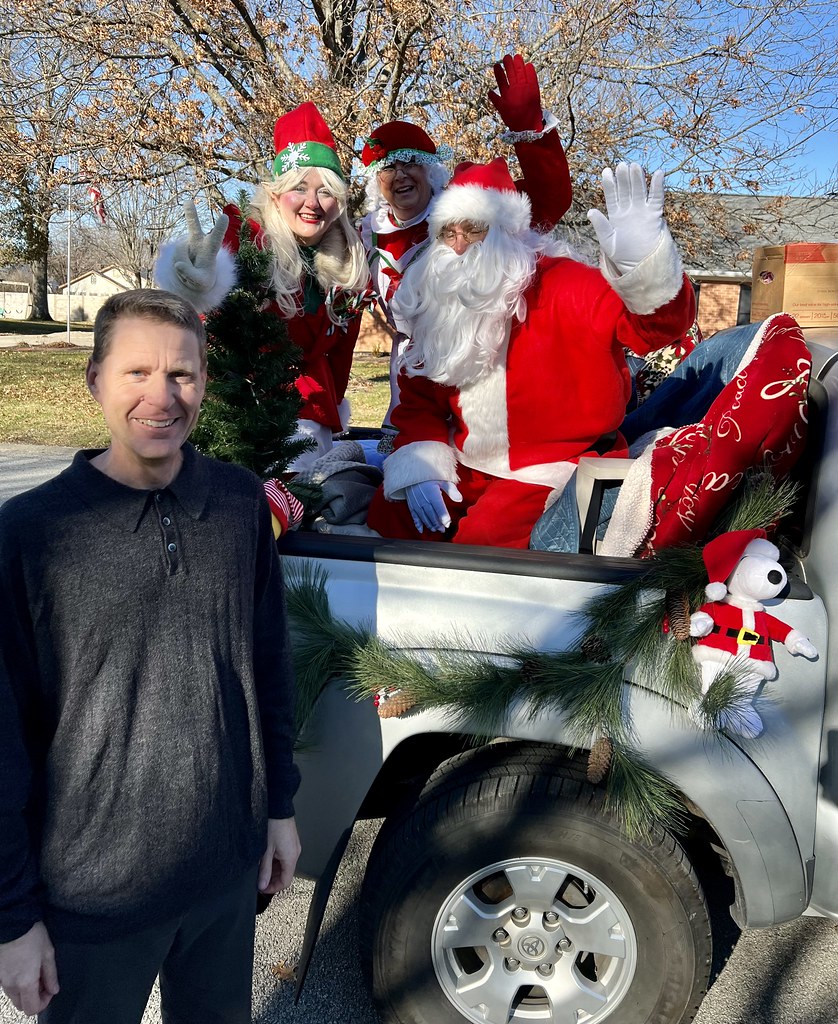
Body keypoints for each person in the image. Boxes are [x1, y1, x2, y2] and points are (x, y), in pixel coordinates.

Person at [0, 289, 301, 1023]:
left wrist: (280, 809)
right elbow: (1, 737)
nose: (161, 397)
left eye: (182, 374)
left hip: (223, 877)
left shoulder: (236, 504)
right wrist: (12, 916)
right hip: (92, 897)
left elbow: (267, 664)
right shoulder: (31, 535)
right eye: (136, 373)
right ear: (95, 381)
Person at [366, 159, 697, 549]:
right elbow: (420, 399)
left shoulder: (568, 283)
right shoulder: (441, 297)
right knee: (390, 517)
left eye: (473, 229)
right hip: (468, 460)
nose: (457, 246)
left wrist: (643, 267)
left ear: (508, 231)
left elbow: (654, 330)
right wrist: (420, 465)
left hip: (554, 465)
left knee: (484, 546)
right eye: (446, 232)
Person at [359, 54, 574, 433]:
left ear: (431, 169)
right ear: (375, 182)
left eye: (411, 162)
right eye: (388, 167)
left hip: (479, 366)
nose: (401, 174)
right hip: (411, 383)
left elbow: (547, 202)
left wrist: (531, 132)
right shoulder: (364, 234)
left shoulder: (464, 211)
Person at [156, 102, 371, 469]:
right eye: (299, 187)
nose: (313, 204)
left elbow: (341, 355)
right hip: (238, 422)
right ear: (275, 193)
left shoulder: (348, 262)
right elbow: (200, 313)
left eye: (326, 191)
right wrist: (197, 286)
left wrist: (333, 413)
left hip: (310, 419)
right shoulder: (246, 236)